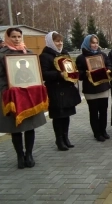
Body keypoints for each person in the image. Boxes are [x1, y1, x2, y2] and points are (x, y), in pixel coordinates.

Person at [0, 27, 47, 168]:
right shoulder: (2, 55)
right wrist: (7, 88)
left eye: (19, 36)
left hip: (29, 96)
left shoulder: (29, 53)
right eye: (13, 36)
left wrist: (36, 83)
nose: (16, 39)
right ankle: (20, 155)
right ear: (8, 37)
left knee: (30, 127)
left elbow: (35, 73)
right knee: (16, 128)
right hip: (12, 96)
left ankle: (29, 154)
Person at [39, 31, 81, 151]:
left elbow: (71, 67)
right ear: (51, 42)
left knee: (66, 115)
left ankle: (66, 138)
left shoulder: (65, 53)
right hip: (55, 90)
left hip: (66, 88)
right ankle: (59, 140)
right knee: (58, 116)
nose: (60, 43)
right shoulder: (45, 56)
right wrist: (59, 75)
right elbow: (44, 74)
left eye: (61, 41)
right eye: (57, 41)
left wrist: (74, 72)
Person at [76, 34, 112, 142]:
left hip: (103, 87)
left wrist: (108, 69)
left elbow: (109, 65)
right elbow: (78, 73)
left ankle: (103, 130)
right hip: (90, 89)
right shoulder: (81, 58)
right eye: (93, 43)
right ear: (88, 43)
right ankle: (97, 133)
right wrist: (85, 74)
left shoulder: (102, 55)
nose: (95, 45)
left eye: (96, 42)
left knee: (103, 111)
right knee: (93, 111)